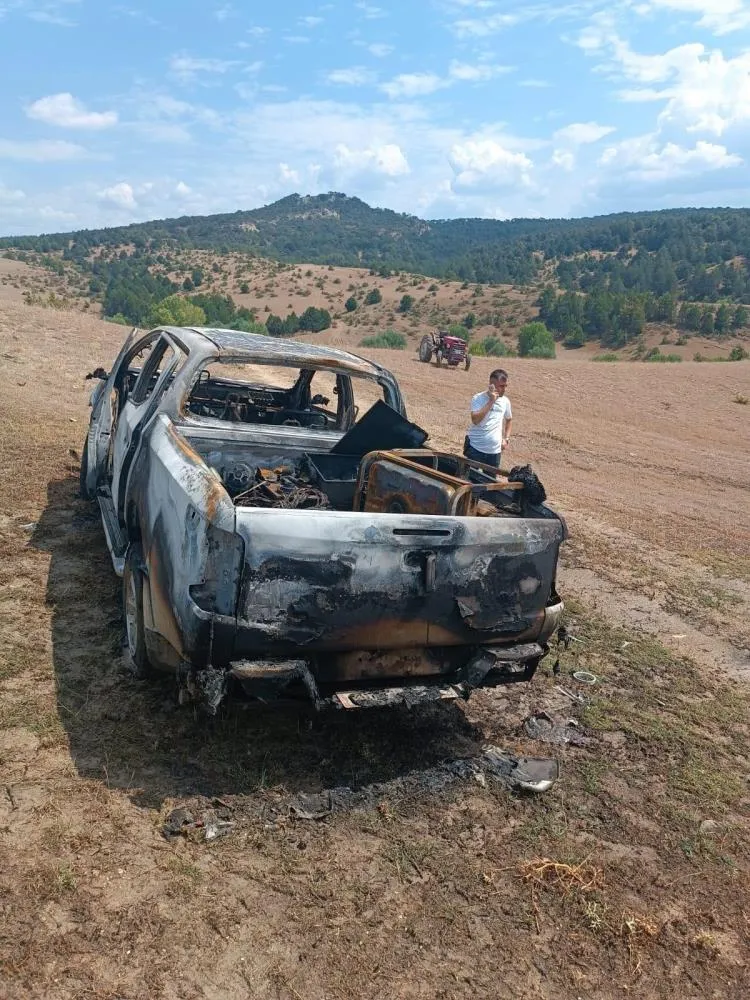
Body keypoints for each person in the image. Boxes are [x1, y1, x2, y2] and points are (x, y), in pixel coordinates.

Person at [463, 368, 512, 468]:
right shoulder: (478, 398)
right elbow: (475, 420)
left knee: (489, 482)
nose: (504, 389)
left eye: (505, 386)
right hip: (475, 450)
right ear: (491, 385)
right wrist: (491, 401)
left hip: (494, 453)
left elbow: (509, 419)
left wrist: (506, 439)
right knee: (469, 480)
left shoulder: (505, 401)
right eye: (501, 386)